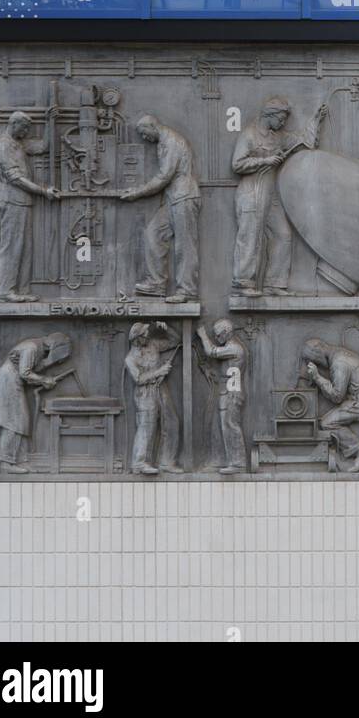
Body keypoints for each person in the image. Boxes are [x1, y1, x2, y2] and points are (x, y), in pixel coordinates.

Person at [231, 95, 326, 296]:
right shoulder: (249, 135)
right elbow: (237, 164)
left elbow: (304, 141)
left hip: (271, 192)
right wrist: (265, 161)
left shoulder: (278, 137)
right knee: (250, 236)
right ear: (270, 115)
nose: (283, 123)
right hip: (251, 191)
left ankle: (274, 283)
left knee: (283, 235)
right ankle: (243, 283)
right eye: (281, 119)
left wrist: (316, 120)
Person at [120, 115, 200, 303]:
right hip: (172, 199)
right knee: (153, 233)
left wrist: (138, 192)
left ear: (152, 126)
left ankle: (187, 291)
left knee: (185, 245)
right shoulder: (162, 141)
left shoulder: (171, 140)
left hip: (184, 197)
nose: (144, 138)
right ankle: (156, 284)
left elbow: (164, 176)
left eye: (144, 133)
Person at [0, 110, 60, 302]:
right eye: (24, 129)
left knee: (25, 246)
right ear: (14, 124)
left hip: (23, 202)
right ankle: (6, 290)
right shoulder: (4, 146)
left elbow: (44, 146)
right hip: (12, 199)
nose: (26, 133)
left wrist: (50, 121)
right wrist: (43, 191)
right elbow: (16, 179)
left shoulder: (19, 143)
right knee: (12, 246)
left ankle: (22, 290)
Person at [0, 333, 71, 472]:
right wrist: (44, 380)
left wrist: (46, 373)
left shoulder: (37, 348)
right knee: (14, 421)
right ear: (56, 346)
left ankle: (20, 460)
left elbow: (30, 372)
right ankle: (6, 461)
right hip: (8, 380)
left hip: (14, 381)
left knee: (21, 421)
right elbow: (25, 373)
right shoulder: (31, 348)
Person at [301, 337, 359, 473]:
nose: (317, 364)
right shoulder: (338, 353)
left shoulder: (339, 363)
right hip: (358, 398)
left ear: (319, 351)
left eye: (314, 360)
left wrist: (318, 377)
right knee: (326, 420)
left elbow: (337, 396)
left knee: (327, 423)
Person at [124, 321, 181, 475]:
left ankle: (166, 462)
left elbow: (176, 341)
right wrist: (159, 371)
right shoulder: (130, 358)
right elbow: (138, 379)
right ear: (137, 339)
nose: (147, 335)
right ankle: (139, 463)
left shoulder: (154, 345)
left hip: (161, 389)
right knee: (146, 427)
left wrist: (167, 328)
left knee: (172, 422)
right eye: (144, 333)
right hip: (145, 394)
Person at [196, 320, 247, 475]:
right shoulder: (229, 347)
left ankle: (238, 463)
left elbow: (211, 351)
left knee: (231, 425)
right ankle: (223, 460)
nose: (217, 338)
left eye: (218, 335)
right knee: (223, 426)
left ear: (227, 332)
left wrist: (203, 335)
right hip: (227, 391)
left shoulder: (235, 348)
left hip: (232, 392)